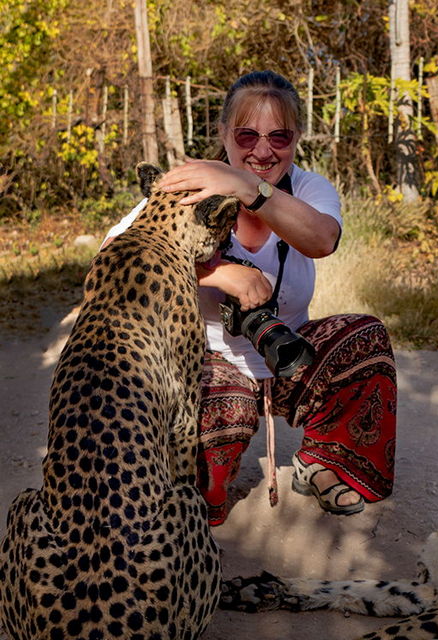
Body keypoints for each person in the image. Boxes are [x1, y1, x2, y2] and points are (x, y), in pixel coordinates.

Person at [103, 70, 397, 526]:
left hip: (285, 352)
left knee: (365, 336)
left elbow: (323, 239)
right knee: (203, 483)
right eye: (247, 134)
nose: (263, 150)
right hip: (207, 359)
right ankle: (195, 489)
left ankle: (322, 464)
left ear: (297, 136)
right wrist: (221, 273)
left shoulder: (307, 187)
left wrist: (247, 188)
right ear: (223, 133)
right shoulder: (191, 184)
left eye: (279, 136)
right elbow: (115, 254)